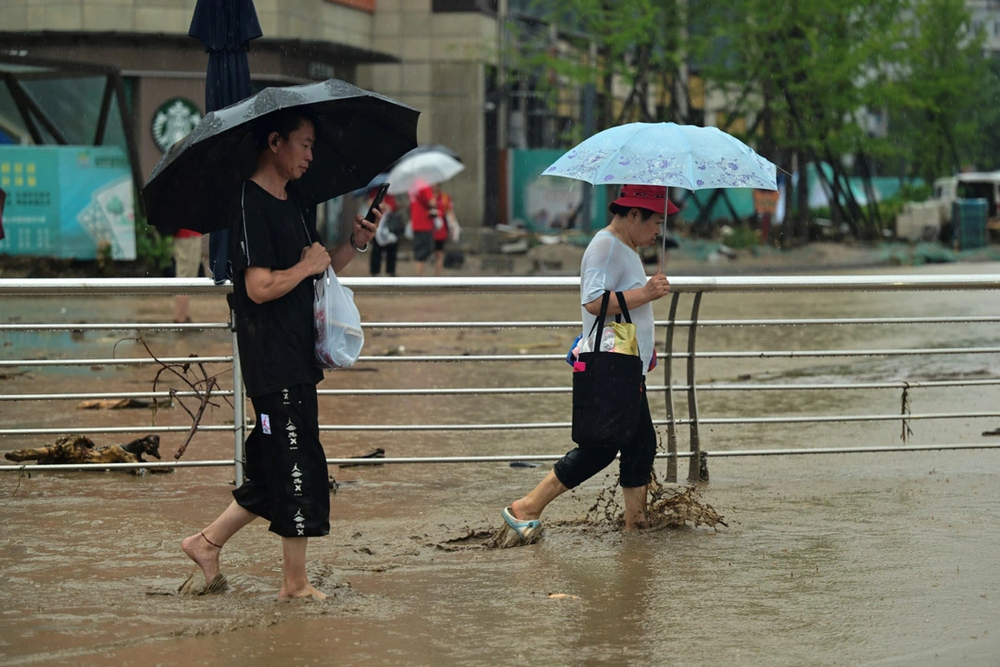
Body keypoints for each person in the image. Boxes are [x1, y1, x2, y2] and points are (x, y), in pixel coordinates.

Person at [180, 110, 379, 601]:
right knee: (298, 462)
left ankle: (205, 544)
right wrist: (307, 263)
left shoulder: (292, 200)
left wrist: (353, 243)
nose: (311, 155)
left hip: (297, 355)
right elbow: (259, 286)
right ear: (275, 142)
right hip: (272, 361)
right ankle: (294, 585)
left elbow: (315, 268)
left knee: (274, 466)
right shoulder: (250, 203)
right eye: (305, 144)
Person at [501, 184, 676, 541]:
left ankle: (635, 527)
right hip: (610, 367)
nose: (659, 231)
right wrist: (646, 292)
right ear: (633, 215)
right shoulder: (606, 245)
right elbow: (593, 301)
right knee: (600, 448)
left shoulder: (624, 247)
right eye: (656, 221)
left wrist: (645, 350)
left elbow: (621, 308)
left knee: (641, 444)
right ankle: (527, 507)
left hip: (625, 366)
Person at [171, 228, 203, 323]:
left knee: (189, 276)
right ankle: (180, 317)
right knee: (184, 276)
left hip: (193, 233)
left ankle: (183, 315)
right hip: (186, 234)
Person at [367, 188, 400, 277]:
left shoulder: (390, 194)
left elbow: (392, 207)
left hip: (387, 226)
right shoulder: (374, 192)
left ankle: (390, 270)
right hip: (377, 225)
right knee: (376, 249)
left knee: (391, 248)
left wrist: (385, 205)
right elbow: (370, 204)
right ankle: (375, 270)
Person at [409, 181, 435, 276]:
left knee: (418, 251)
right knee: (423, 252)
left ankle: (418, 275)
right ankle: (419, 277)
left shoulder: (412, 185)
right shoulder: (424, 185)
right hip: (425, 223)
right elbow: (432, 202)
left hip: (416, 222)